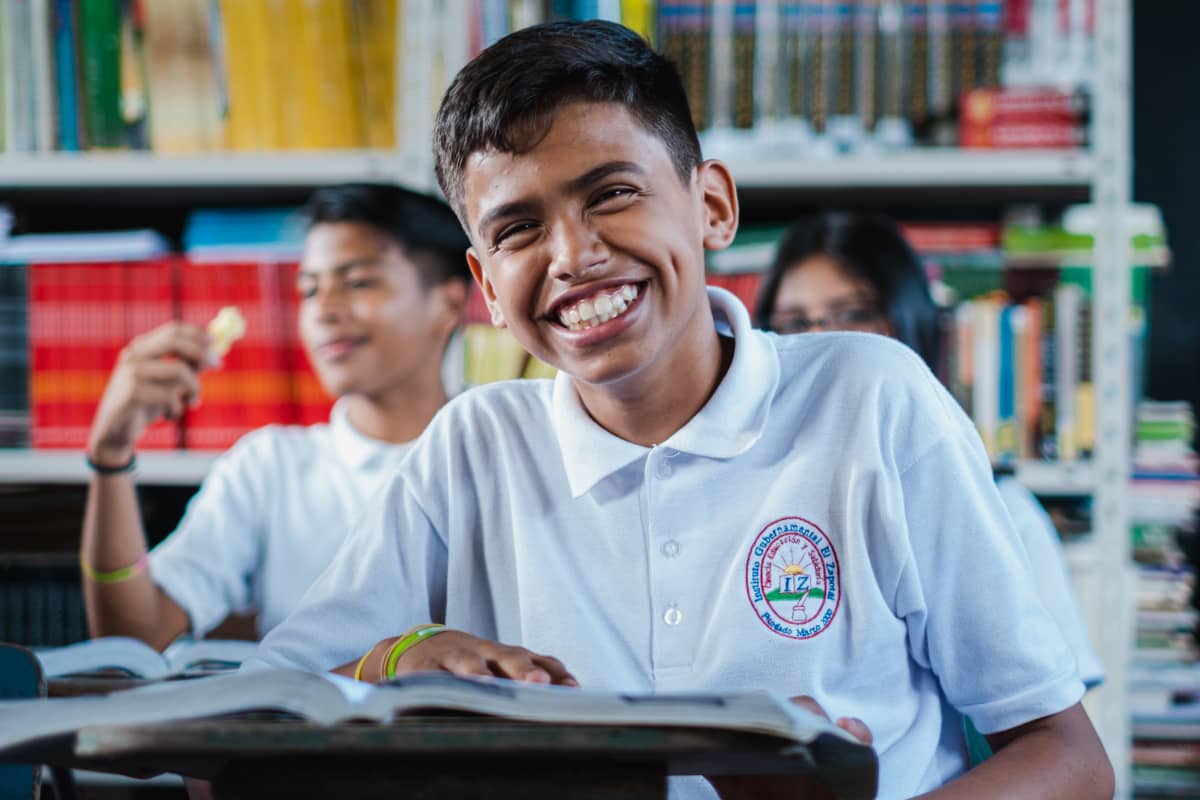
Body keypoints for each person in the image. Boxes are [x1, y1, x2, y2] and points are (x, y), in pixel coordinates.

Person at [252, 21, 1113, 800]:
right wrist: (400, 660)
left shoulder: (872, 399)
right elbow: (257, 722)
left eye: (612, 194)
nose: (574, 256)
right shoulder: (474, 446)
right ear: (485, 287)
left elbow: (1068, 758)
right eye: (517, 230)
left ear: (712, 206)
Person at [81, 183, 469, 650]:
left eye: (358, 282)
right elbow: (135, 637)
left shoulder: (503, 455)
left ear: (449, 302)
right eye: (309, 290)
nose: (324, 311)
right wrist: (110, 456)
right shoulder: (270, 468)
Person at [753, 211, 1105, 690]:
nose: (823, 341)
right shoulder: (755, 496)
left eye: (854, 314)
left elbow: (1052, 734)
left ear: (909, 321)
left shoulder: (1002, 510)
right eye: (795, 322)